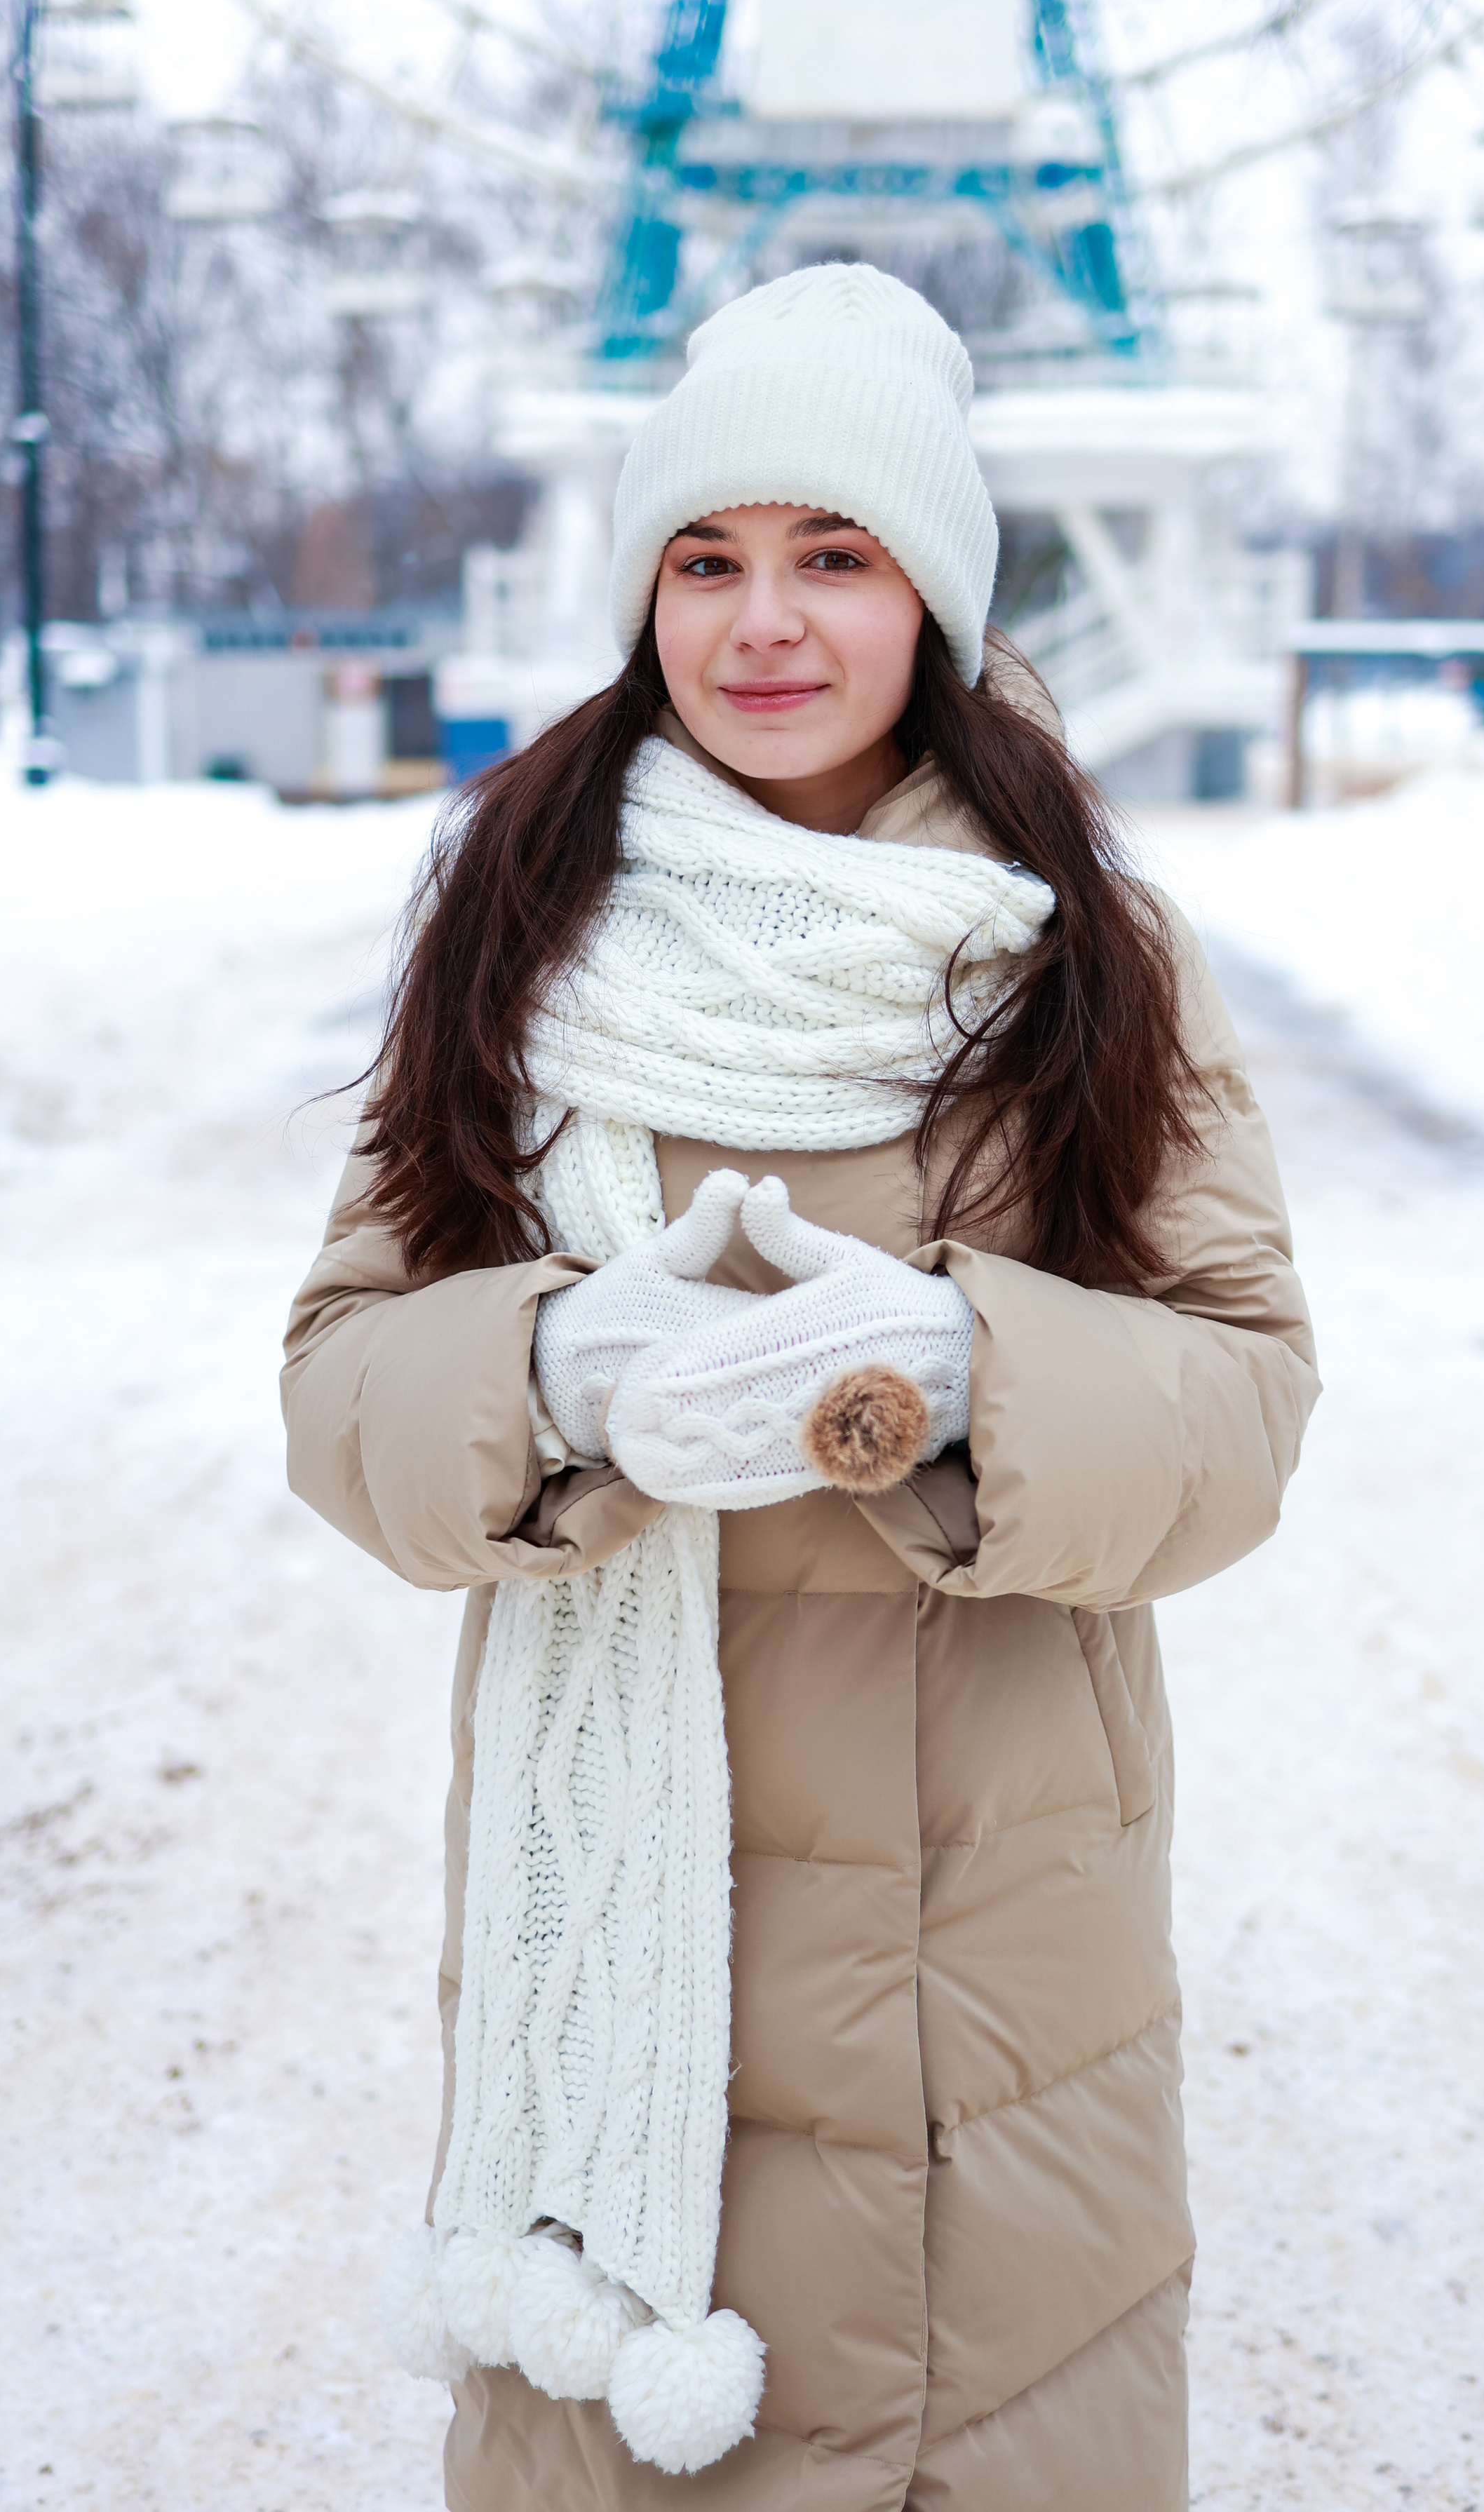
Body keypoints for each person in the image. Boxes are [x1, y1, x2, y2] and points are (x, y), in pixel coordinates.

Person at [281, 262, 1318, 2512]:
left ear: (931, 596)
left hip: (994, 1984)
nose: (763, 623)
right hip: (611, 1970)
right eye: (705, 558)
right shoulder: (514, 922)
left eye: (834, 556)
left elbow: (1246, 1409)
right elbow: (340, 1378)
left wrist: (974, 1373)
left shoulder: (1085, 949)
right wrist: (549, 1371)